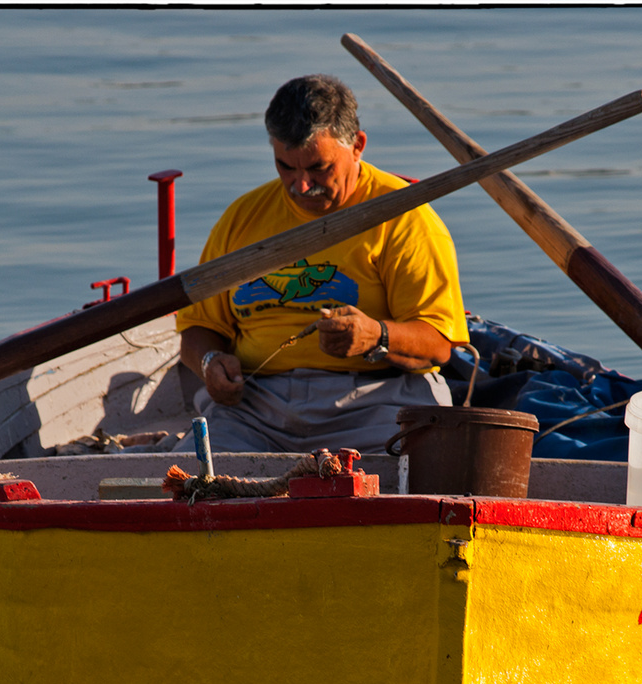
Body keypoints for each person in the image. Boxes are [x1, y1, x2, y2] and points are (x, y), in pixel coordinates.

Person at [176, 74, 469, 454]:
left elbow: (439, 344)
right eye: (286, 167)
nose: (300, 186)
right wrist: (211, 363)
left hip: (378, 404)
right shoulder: (242, 217)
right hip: (254, 410)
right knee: (189, 483)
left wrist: (375, 336)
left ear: (358, 146)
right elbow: (199, 327)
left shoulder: (406, 217)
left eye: (318, 168)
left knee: (409, 476)